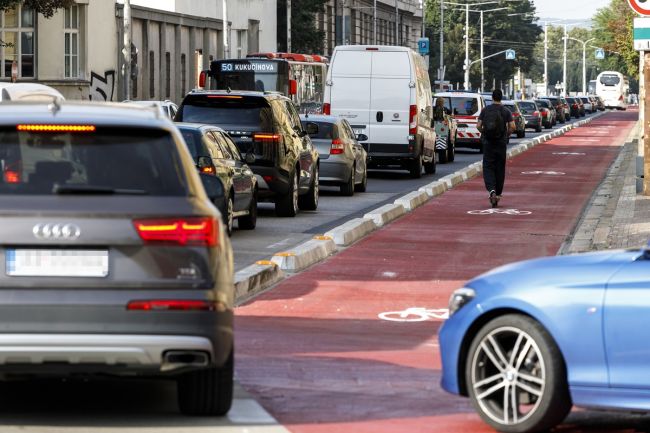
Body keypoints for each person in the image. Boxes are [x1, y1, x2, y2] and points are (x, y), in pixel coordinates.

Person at [476, 89, 516, 208]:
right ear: (501, 98)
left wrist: (484, 134)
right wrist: (506, 135)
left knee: (488, 167)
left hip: (488, 144)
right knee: (499, 168)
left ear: (492, 97)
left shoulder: (485, 110)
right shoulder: (506, 111)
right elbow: (513, 126)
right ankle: (498, 193)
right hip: (501, 144)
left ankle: (491, 190)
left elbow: (478, 125)